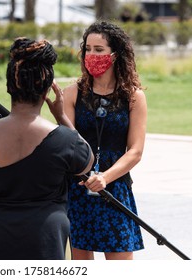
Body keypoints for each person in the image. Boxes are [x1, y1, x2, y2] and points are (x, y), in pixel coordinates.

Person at [0, 37, 94, 260]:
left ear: (10, 86)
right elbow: (87, 162)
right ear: (47, 90)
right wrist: (61, 116)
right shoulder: (63, 139)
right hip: (44, 238)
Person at [51, 21, 147, 260]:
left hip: (114, 186)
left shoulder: (133, 96)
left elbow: (135, 151)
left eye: (99, 49)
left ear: (115, 55)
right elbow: (68, 143)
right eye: (88, 49)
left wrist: (105, 177)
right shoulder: (73, 92)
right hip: (79, 186)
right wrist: (59, 115)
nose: (91, 55)